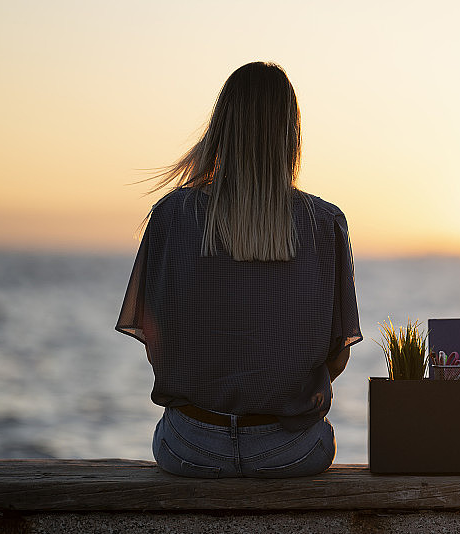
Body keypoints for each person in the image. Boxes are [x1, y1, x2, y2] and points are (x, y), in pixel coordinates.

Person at [115, 62, 362, 478]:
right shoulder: (324, 222)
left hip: (190, 447)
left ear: (221, 127)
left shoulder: (172, 216)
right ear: (290, 134)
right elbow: (336, 355)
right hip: (292, 450)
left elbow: (155, 341)